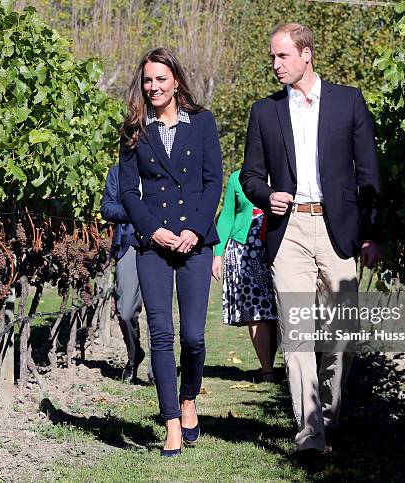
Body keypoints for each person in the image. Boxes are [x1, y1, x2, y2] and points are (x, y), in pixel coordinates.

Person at [240, 23, 382, 462]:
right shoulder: (264, 112)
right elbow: (249, 176)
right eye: (272, 58)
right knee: (298, 333)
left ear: (306, 54)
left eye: (282, 56)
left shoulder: (348, 102)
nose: (276, 65)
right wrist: (267, 196)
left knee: (342, 334)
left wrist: (372, 233)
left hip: (338, 229)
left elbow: (369, 175)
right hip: (291, 233)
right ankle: (311, 433)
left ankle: (329, 411)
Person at [118, 47, 222, 457]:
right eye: (147, 80)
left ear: (175, 80)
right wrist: (153, 230)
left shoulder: (202, 123)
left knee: (193, 337)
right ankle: (172, 425)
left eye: (160, 79)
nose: (153, 86)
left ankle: (189, 397)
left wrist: (195, 231)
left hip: (195, 242)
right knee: (161, 335)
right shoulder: (133, 129)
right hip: (152, 245)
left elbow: (213, 180)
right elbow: (128, 190)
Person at [212, 170, 277, 382]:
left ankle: (270, 363)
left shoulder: (283, 174)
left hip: (276, 248)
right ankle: (267, 369)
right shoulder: (236, 178)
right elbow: (227, 216)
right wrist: (218, 254)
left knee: (276, 311)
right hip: (244, 251)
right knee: (256, 309)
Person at [100, 164, 154, 385]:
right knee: (125, 311)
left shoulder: (160, 165)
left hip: (159, 242)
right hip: (128, 244)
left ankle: (156, 370)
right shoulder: (117, 172)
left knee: (156, 311)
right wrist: (135, 212)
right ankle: (134, 355)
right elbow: (106, 208)